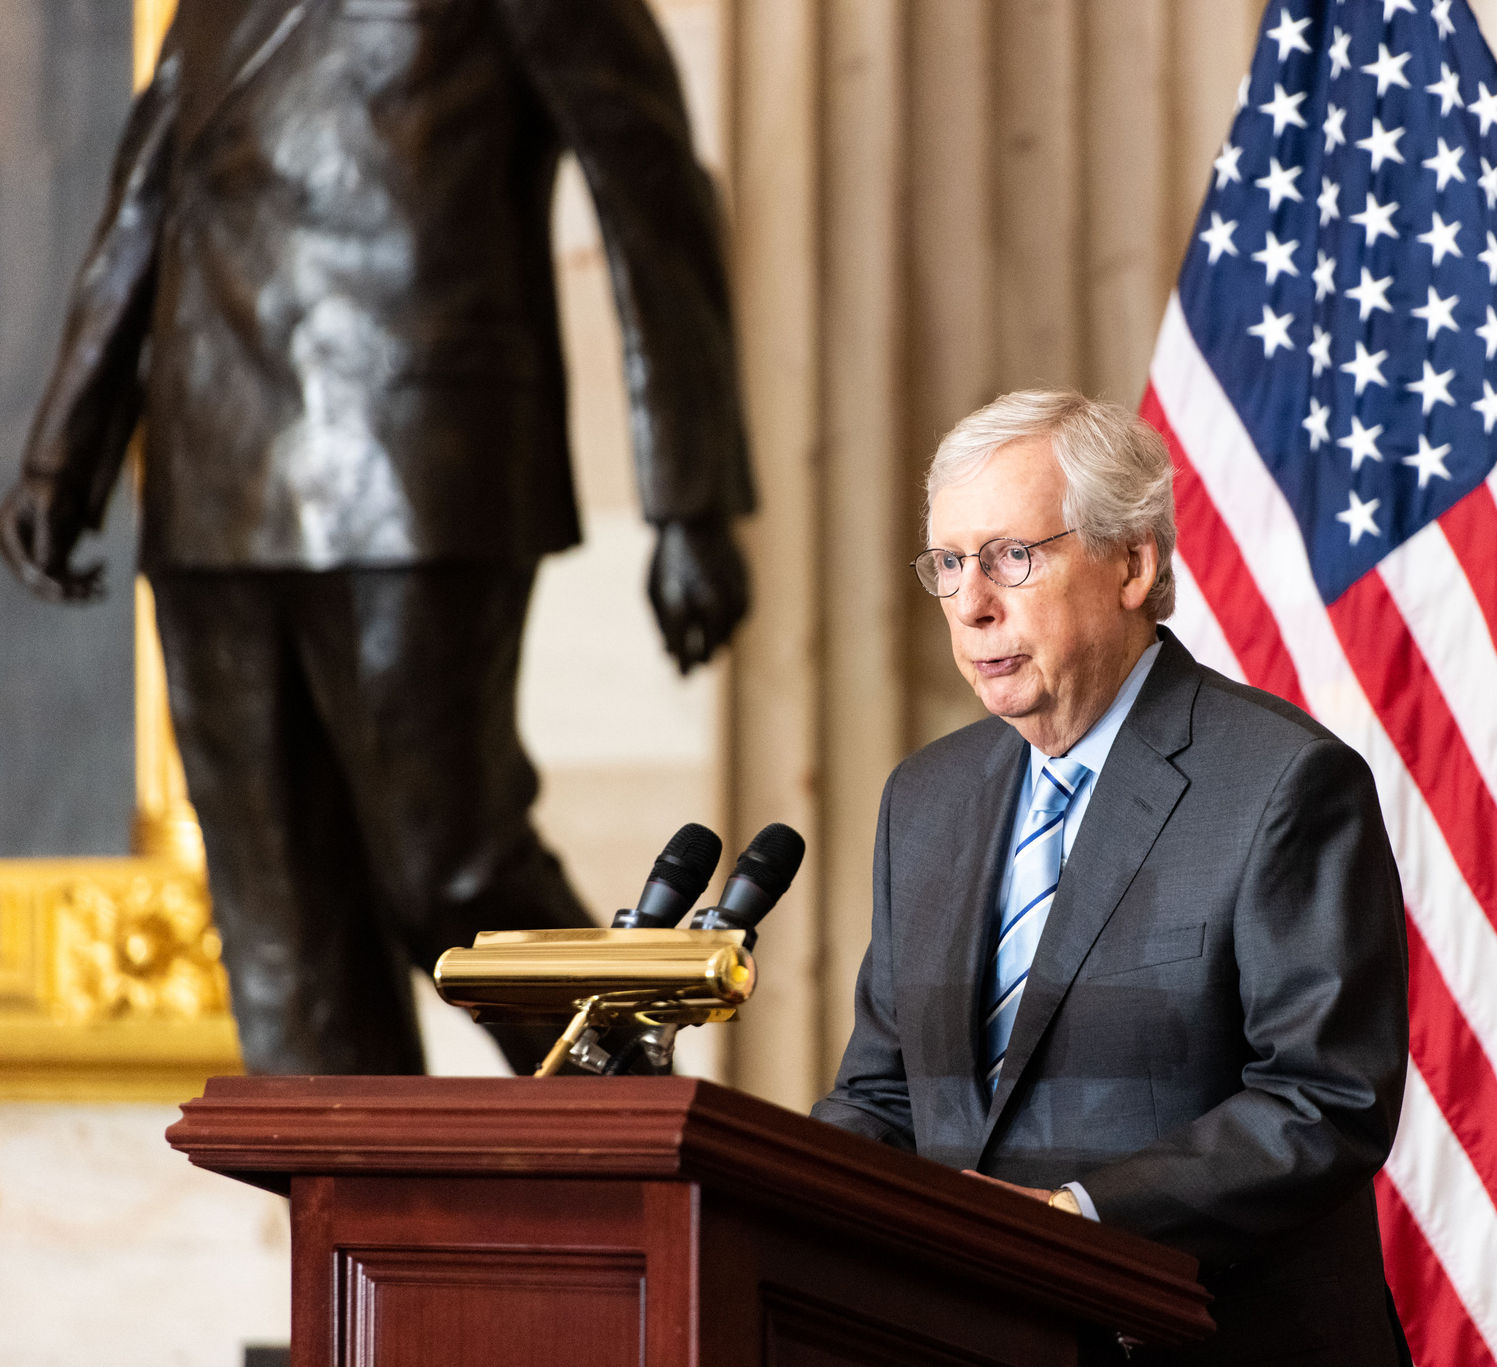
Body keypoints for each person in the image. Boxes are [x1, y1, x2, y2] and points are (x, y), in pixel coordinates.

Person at [0, 0, 753, 1074]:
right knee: (281, 925)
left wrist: (691, 498)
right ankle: (359, 1227)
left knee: (449, 864)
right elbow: (146, 198)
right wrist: (63, 452)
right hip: (215, 475)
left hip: (418, 469)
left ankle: (625, 1135)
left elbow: (652, 189)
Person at [813, 390, 1411, 1364]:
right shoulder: (924, 798)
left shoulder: (1279, 782)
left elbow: (1322, 1100)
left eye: (1012, 555)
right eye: (951, 564)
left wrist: (1072, 1217)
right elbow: (883, 1094)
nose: (972, 603)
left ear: (1132, 562)